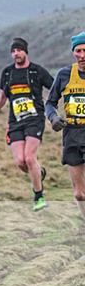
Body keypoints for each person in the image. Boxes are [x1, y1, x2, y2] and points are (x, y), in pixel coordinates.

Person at [0, 37, 54, 211]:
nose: (16, 54)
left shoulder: (37, 71)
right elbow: (3, 95)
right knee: (20, 162)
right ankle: (39, 174)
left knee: (30, 158)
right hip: (15, 121)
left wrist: (53, 108)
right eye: (13, 51)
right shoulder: (8, 73)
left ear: (25, 51)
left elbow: (54, 87)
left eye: (19, 50)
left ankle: (39, 197)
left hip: (35, 119)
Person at [45, 32, 85, 220]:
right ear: (73, 53)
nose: (82, 55)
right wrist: (53, 118)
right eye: (78, 51)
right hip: (72, 134)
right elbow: (50, 102)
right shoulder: (64, 74)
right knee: (79, 194)